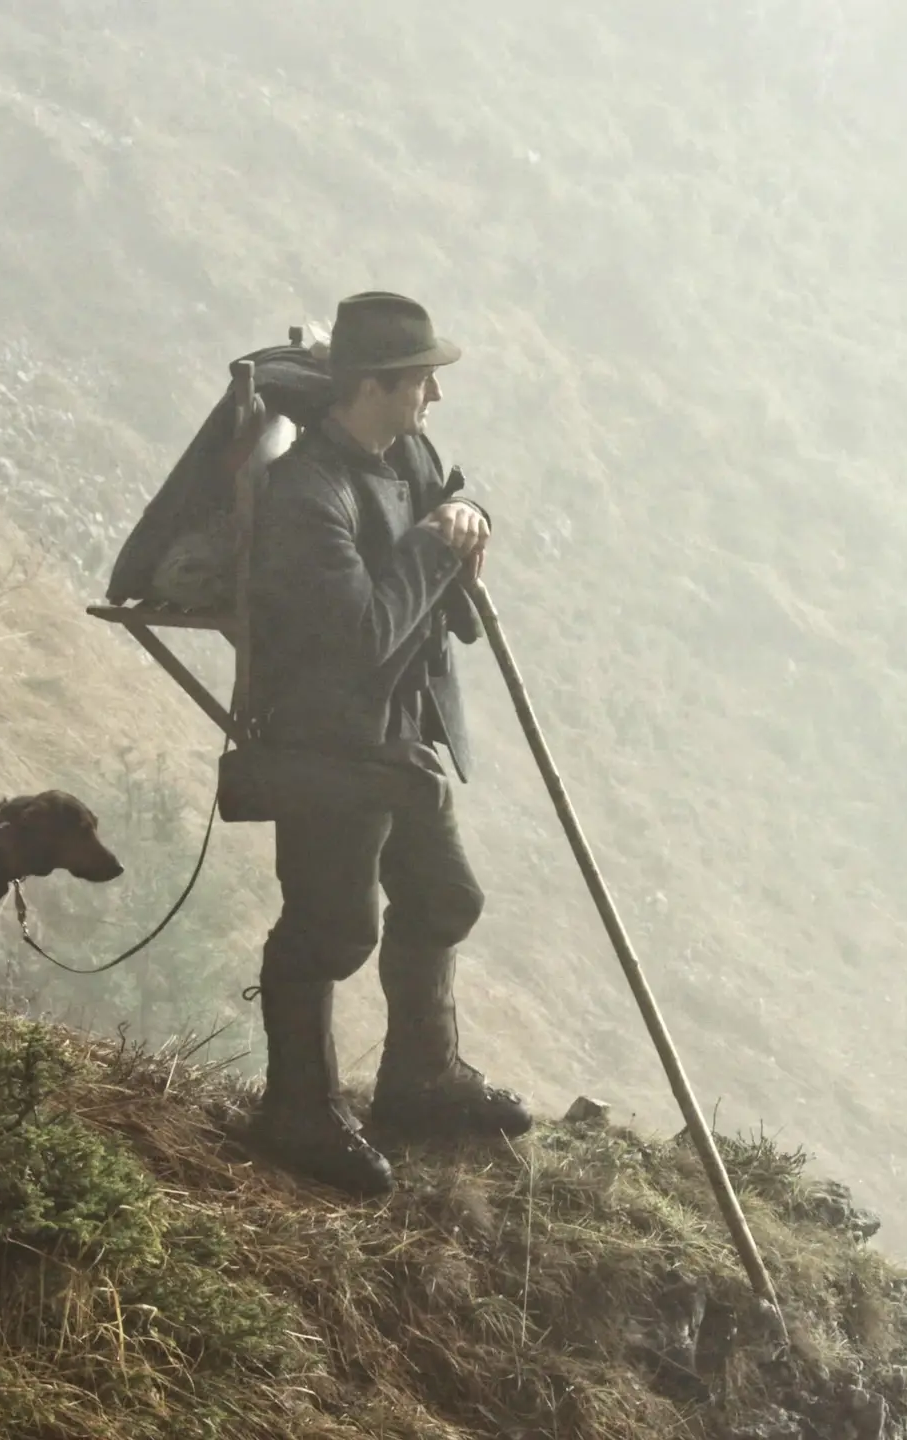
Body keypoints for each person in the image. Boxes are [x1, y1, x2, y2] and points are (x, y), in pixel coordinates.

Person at [242, 291, 531, 1195]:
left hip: (397, 742)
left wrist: (468, 510)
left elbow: (449, 491)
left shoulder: (401, 452)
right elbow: (362, 636)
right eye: (420, 384)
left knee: (443, 897)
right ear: (372, 387)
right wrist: (434, 545)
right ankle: (296, 1108)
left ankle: (421, 1079)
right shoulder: (304, 496)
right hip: (328, 749)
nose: (432, 403)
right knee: (331, 929)